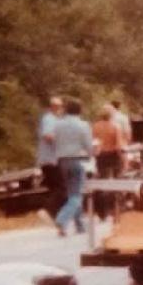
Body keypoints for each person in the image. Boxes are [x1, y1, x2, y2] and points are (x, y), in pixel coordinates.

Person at [53, 98, 94, 237]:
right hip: (77, 160)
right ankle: (61, 219)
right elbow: (88, 144)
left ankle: (79, 225)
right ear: (80, 110)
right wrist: (91, 155)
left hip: (62, 161)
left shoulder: (58, 125)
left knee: (71, 193)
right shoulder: (83, 125)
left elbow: (54, 142)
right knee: (77, 194)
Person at [36, 96, 65, 217]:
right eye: (59, 107)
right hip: (50, 159)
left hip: (53, 158)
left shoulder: (55, 120)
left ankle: (55, 216)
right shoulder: (49, 119)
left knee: (55, 188)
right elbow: (48, 135)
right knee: (61, 187)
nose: (60, 109)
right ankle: (48, 209)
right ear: (54, 107)